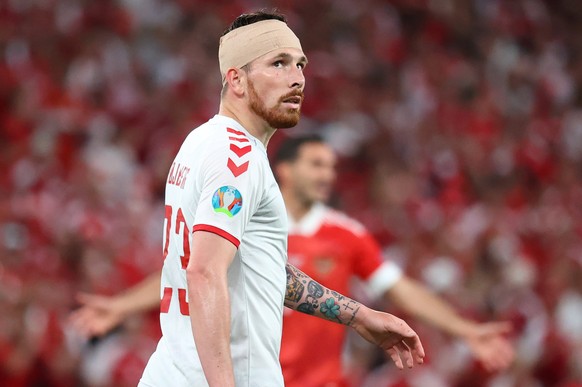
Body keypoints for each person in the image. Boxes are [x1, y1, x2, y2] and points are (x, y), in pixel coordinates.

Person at [75, 10, 425, 387]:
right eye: (278, 63)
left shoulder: (202, 141)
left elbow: (260, 267)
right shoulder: (237, 159)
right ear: (236, 79)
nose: (297, 78)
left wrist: (358, 316)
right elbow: (204, 271)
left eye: (300, 65)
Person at [72, 135, 514, 386]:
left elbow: (401, 291)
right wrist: (123, 306)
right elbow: (195, 269)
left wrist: (465, 330)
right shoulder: (244, 215)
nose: (327, 174)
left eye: (331, 166)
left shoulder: (346, 233)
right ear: (283, 170)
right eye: (315, 164)